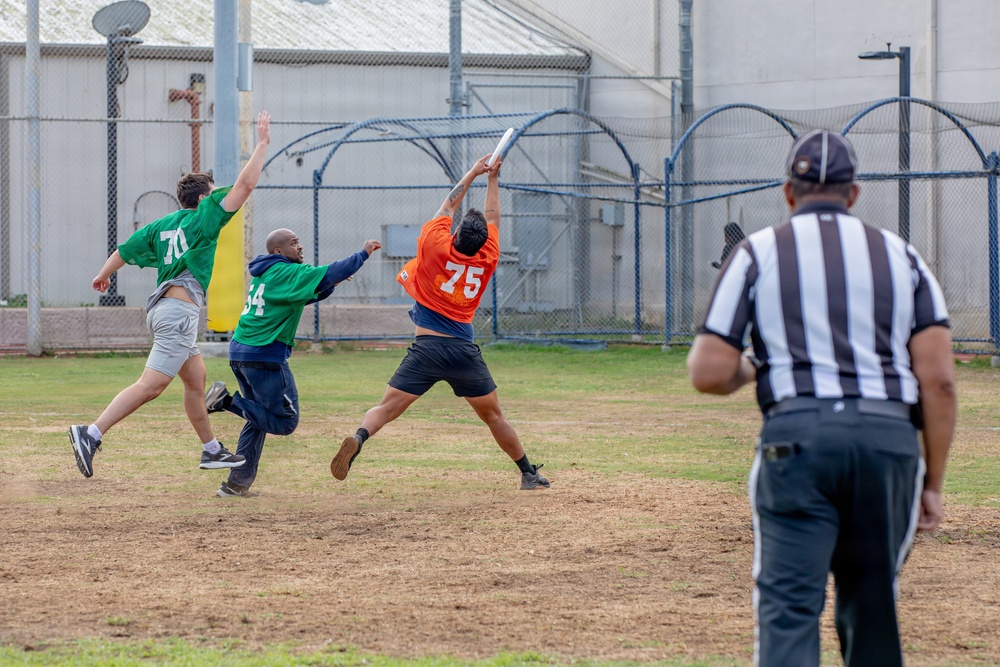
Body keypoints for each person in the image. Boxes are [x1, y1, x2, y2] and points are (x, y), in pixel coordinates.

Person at [686, 129, 956, 667]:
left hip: (798, 439)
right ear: (854, 194)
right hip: (888, 444)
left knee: (788, 607)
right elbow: (940, 382)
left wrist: (758, 364)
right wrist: (932, 482)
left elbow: (708, 372)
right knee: (873, 607)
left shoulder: (757, 252)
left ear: (789, 192)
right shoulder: (903, 256)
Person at [69, 111, 273, 479]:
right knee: (151, 385)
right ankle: (91, 433)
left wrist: (103, 275)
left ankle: (211, 450)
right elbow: (244, 186)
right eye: (213, 193)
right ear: (203, 198)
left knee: (195, 379)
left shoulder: (162, 224)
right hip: (178, 312)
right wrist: (261, 145)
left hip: (167, 309)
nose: (218, 198)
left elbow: (125, 249)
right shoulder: (203, 217)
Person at [331, 153, 550, 490]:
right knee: (494, 417)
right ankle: (528, 473)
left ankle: (359, 438)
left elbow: (446, 207)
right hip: (463, 351)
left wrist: (475, 172)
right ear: (481, 242)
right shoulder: (488, 256)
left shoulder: (435, 246)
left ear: (457, 234)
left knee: (386, 408)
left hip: (427, 350)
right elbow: (493, 219)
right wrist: (493, 179)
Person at [204, 229, 382, 498]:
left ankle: (235, 484)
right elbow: (329, 271)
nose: (299, 247)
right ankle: (226, 401)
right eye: (293, 243)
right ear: (278, 251)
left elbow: (309, 293)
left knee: (257, 418)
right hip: (264, 356)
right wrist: (363, 253)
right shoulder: (285, 272)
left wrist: (331, 283)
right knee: (285, 422)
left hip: (241, 352)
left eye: (298, 241)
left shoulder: (268, 273)